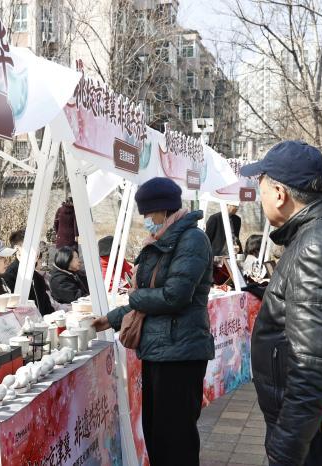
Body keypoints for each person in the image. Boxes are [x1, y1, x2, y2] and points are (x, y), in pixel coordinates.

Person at [240, 141, 322, 466]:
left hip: (313, 432)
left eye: (261, 188)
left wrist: (284, 450)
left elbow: (311, 370)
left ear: (280, 193)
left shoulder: (314, 248)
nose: (259, 197)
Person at [92, 177, 214, 466]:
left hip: (180, 353)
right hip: (159, 350)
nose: (146, 219)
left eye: (148, 213)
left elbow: (174, 296)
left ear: (163, 209)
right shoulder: (160, 241)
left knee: (176, 437)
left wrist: (134, 297)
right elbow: (148, 302)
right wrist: (110, 319)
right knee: (157, 434)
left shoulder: (192, 240)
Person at [3, 230, 55, 316]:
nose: (37, 251)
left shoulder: (38, 277)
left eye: (37, 246)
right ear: (17, 250)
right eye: (32, 247)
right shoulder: (8, 277)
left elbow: (48, 309)